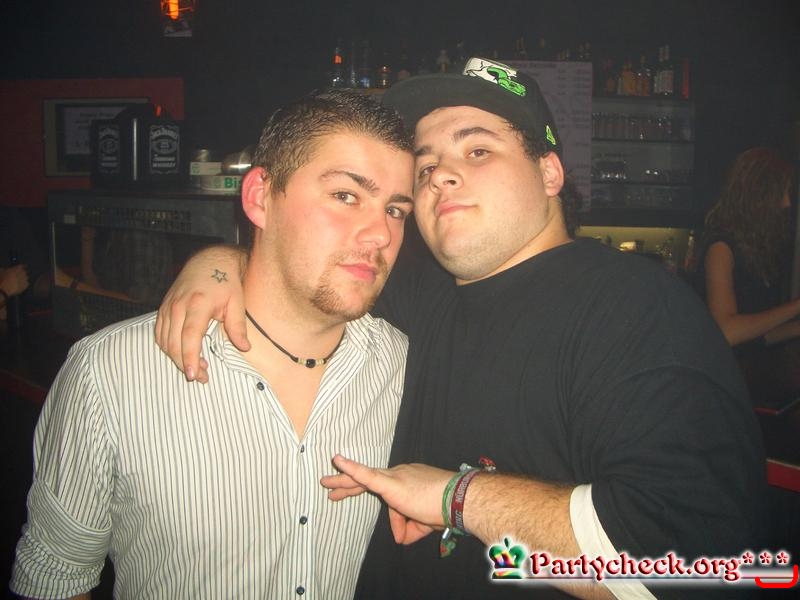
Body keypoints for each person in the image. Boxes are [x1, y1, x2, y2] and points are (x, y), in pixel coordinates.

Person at [155, 58, 767, 599]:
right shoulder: (420, 294)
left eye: (477, 151)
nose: (439, 176)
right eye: (425, 167)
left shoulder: (635, 308)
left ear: (549, 173)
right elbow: (304, 263)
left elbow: (697, 568)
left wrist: (457, 497)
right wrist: (220, 262)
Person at [11, 89, 414, 599]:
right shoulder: (111, 371)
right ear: (259, 197)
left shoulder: (402, 363)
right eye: (346, 196)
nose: (381, 234)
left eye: (395, 210)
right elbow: (56, 575)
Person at [700, 146, 800, 351]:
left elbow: (757, 335)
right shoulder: (721, 248)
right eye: (782, 193)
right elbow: (727, 332)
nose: (787, 203)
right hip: (719, 369)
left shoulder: (754, 247)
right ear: (759, 195)